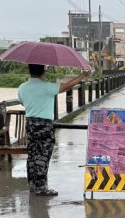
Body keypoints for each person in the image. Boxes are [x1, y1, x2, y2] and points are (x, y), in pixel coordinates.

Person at [18, 64, 91, 196]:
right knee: (44, 154)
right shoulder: (47, 87)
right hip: (44, 125)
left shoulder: (22, 87)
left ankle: (33, 184)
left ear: (29, 70)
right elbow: (68, 85)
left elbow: (23, 102)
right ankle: (41, 187)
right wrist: (84, 75)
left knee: (33, 153)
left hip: (30, 124)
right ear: (43, 72)